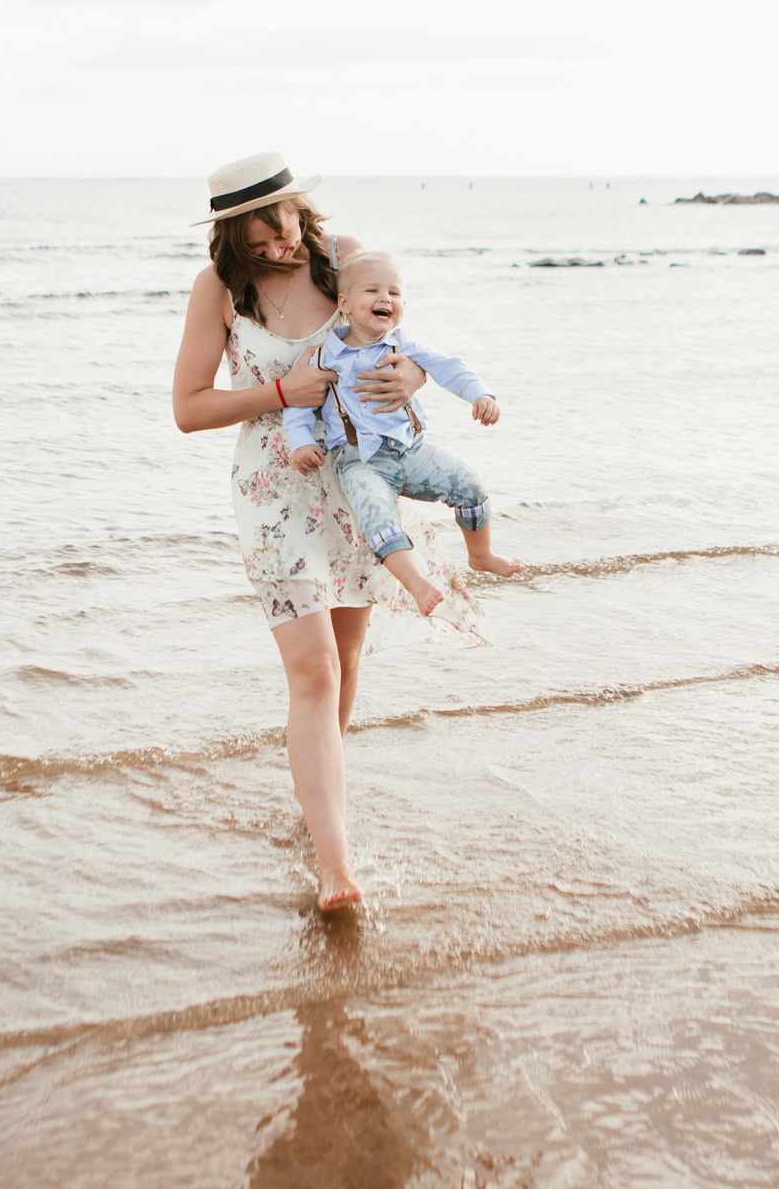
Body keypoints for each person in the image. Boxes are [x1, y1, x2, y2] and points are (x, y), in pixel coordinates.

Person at [171, 152, 429, 913]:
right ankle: (336, 868)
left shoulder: (346, 262)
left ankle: (315, 812)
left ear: (298, 210)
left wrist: (411, 376)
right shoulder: (220, 288)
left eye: (278, 232)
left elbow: (398, 347)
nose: (273, 249)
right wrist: (279, 391)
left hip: (357, 483)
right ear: (230, 237)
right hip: (274, 491)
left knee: (347, 661)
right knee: (313, 668)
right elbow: (188, 407)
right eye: (254, 242)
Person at [286, 253, 520, 617]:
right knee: (377, 517)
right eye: (373, 290)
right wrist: (300, 444)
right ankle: (416, 583)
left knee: (469, 483)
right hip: (361, 462)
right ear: (344, 304)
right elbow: (298, 410)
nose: (386, 298)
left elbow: (447, 366)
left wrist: (480, 394)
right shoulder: (323, 357)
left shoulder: (402, 344)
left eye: (395, 293)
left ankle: (481, 555)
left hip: (412, 449)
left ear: (404, 305)